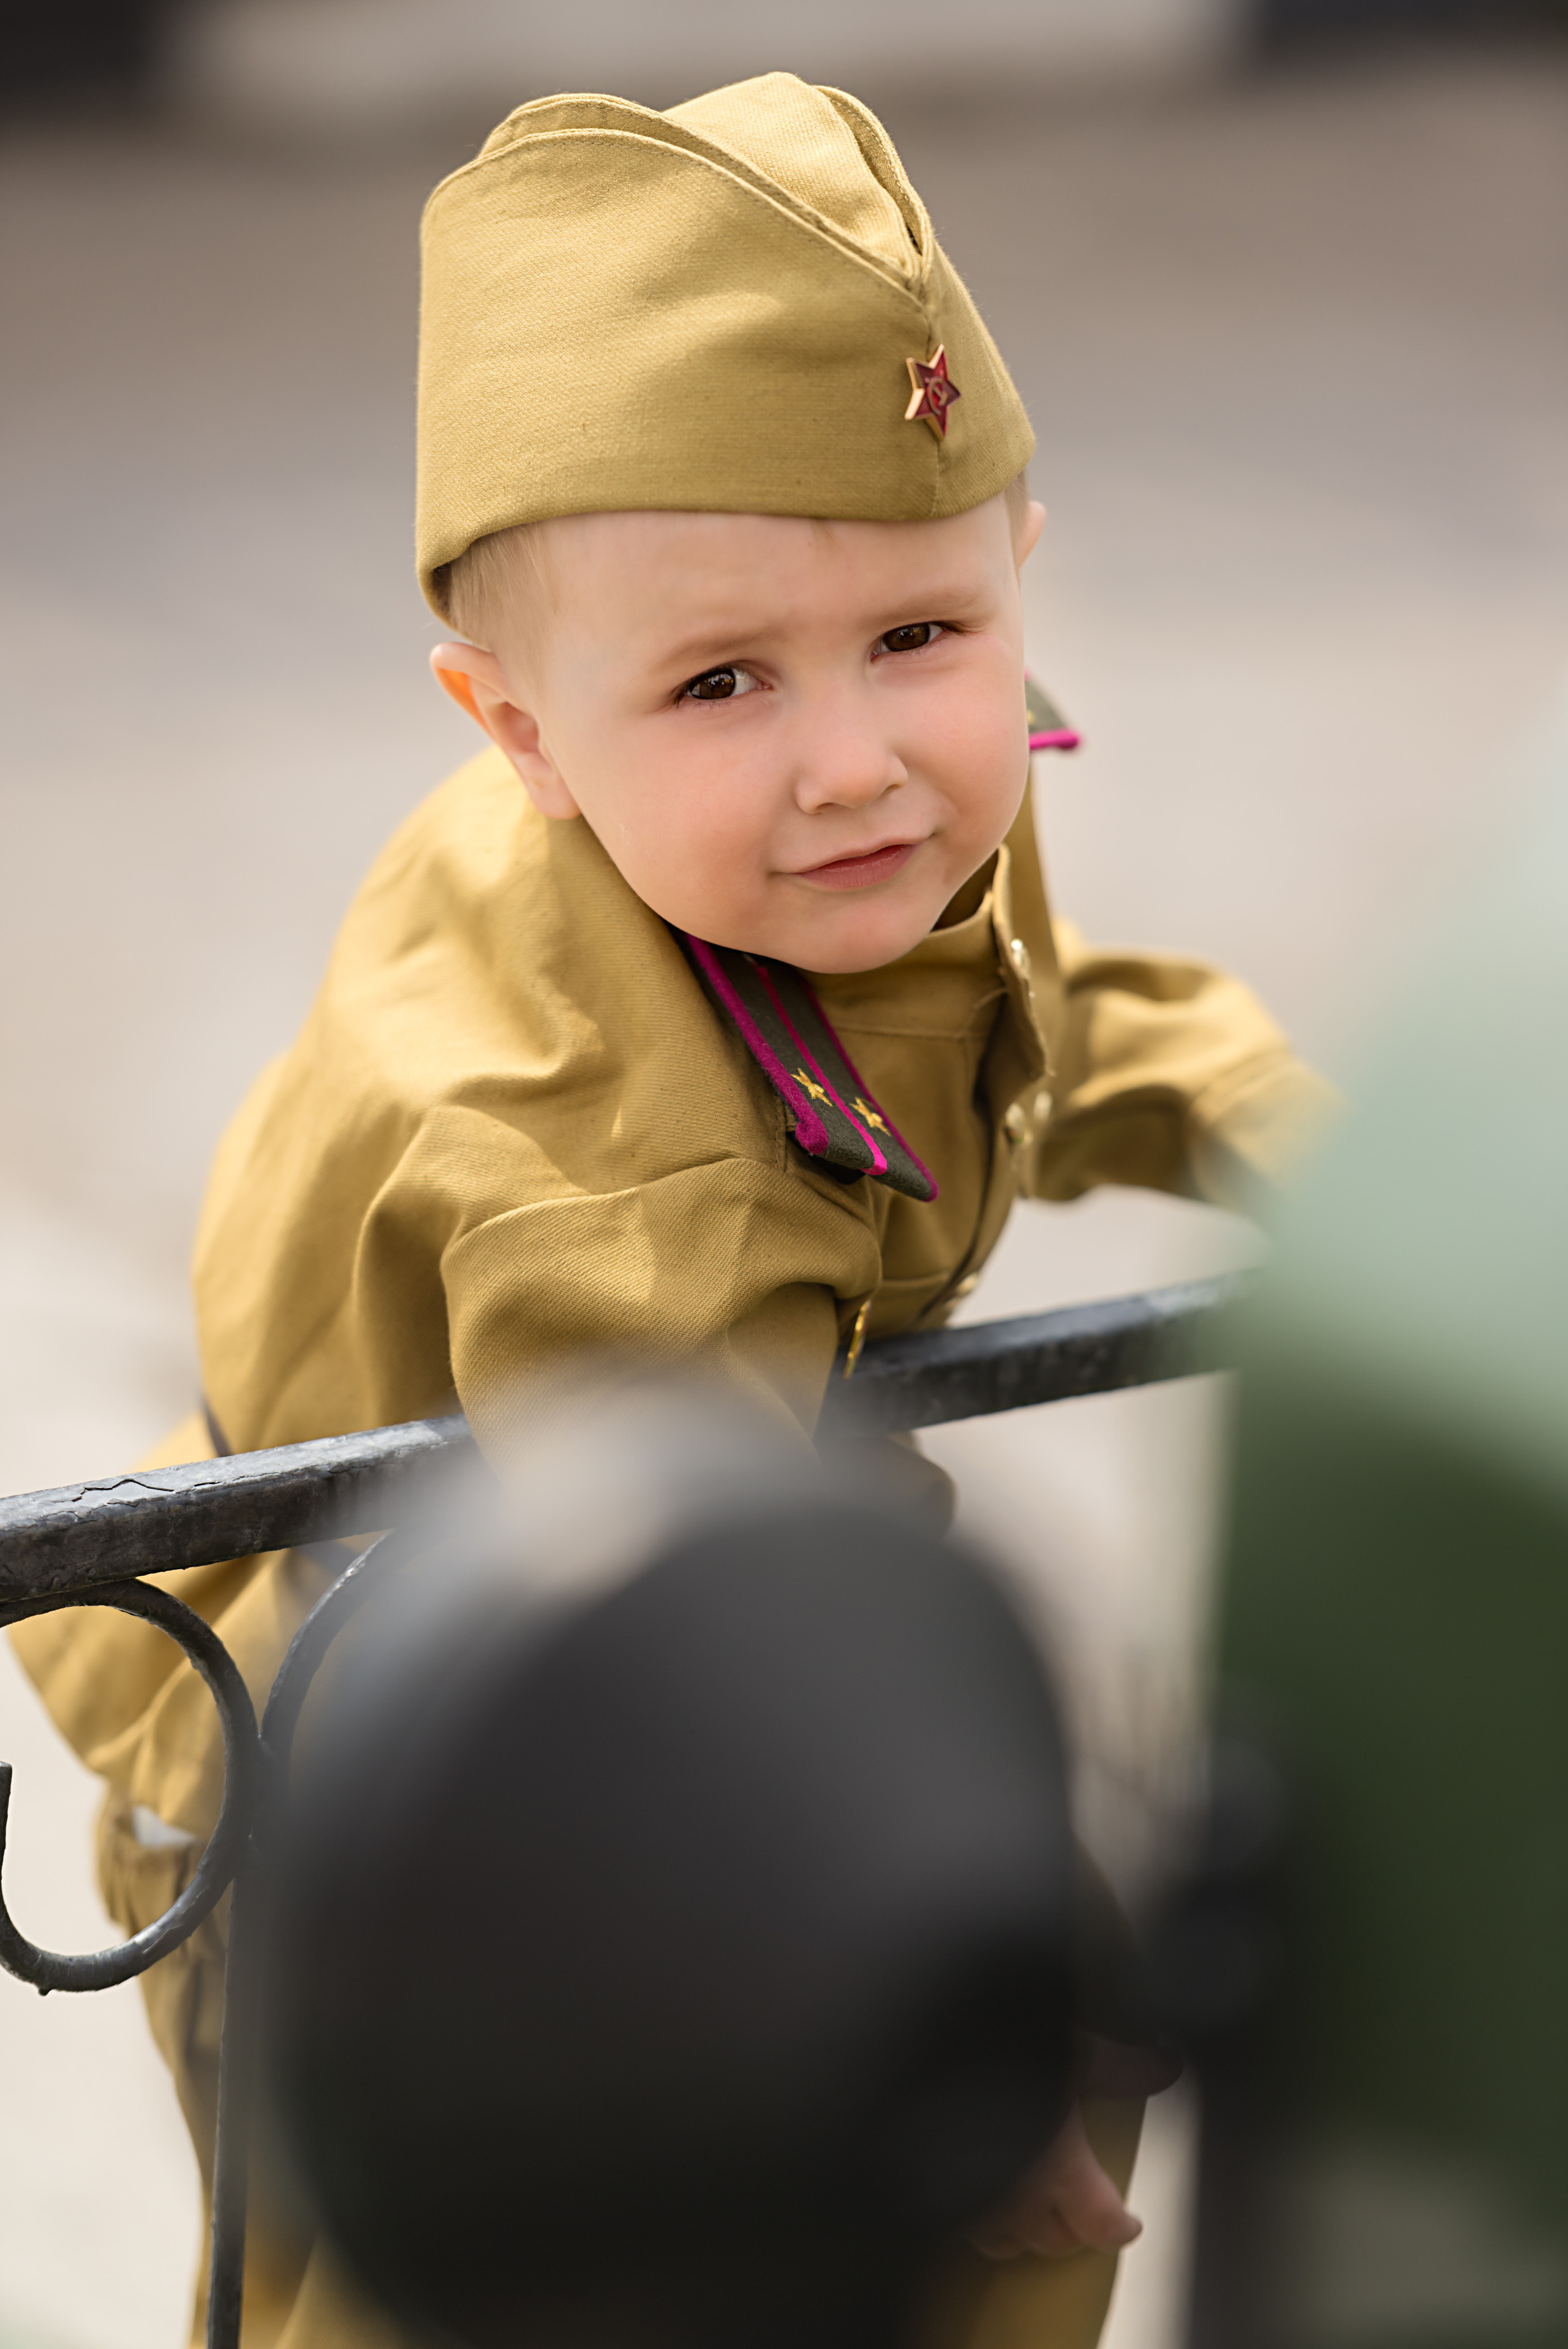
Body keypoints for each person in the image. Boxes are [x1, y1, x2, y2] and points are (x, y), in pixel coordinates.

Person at [12, 71, 1334, 2349]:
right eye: (724, 679)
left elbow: (1022, 1009)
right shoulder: (628, 1186)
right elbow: (729, 1688)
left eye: (922, 633)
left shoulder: (815, 833)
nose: (856, 758)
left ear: (1019, 563)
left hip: (626, 1660)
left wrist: (1316, 1150)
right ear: (512, 730)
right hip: (439, 1790)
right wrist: (973, 2006)